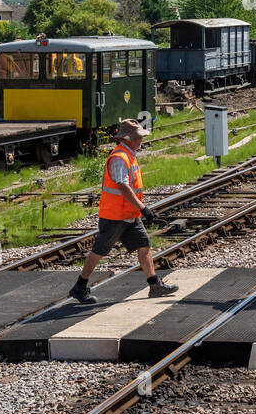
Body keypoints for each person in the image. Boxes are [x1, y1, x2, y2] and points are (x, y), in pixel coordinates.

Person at [69, 118, 177, 304]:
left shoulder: (129, 154)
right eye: (138, 137)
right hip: (115, 216)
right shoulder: (119, 158)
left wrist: (137, 210)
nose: (141, 141)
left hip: (129, 214)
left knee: (144, 246)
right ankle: (80, 286)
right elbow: (123, 187)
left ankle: (154, 285)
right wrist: (143, 208)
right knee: (99, 252)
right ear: (128, 139)